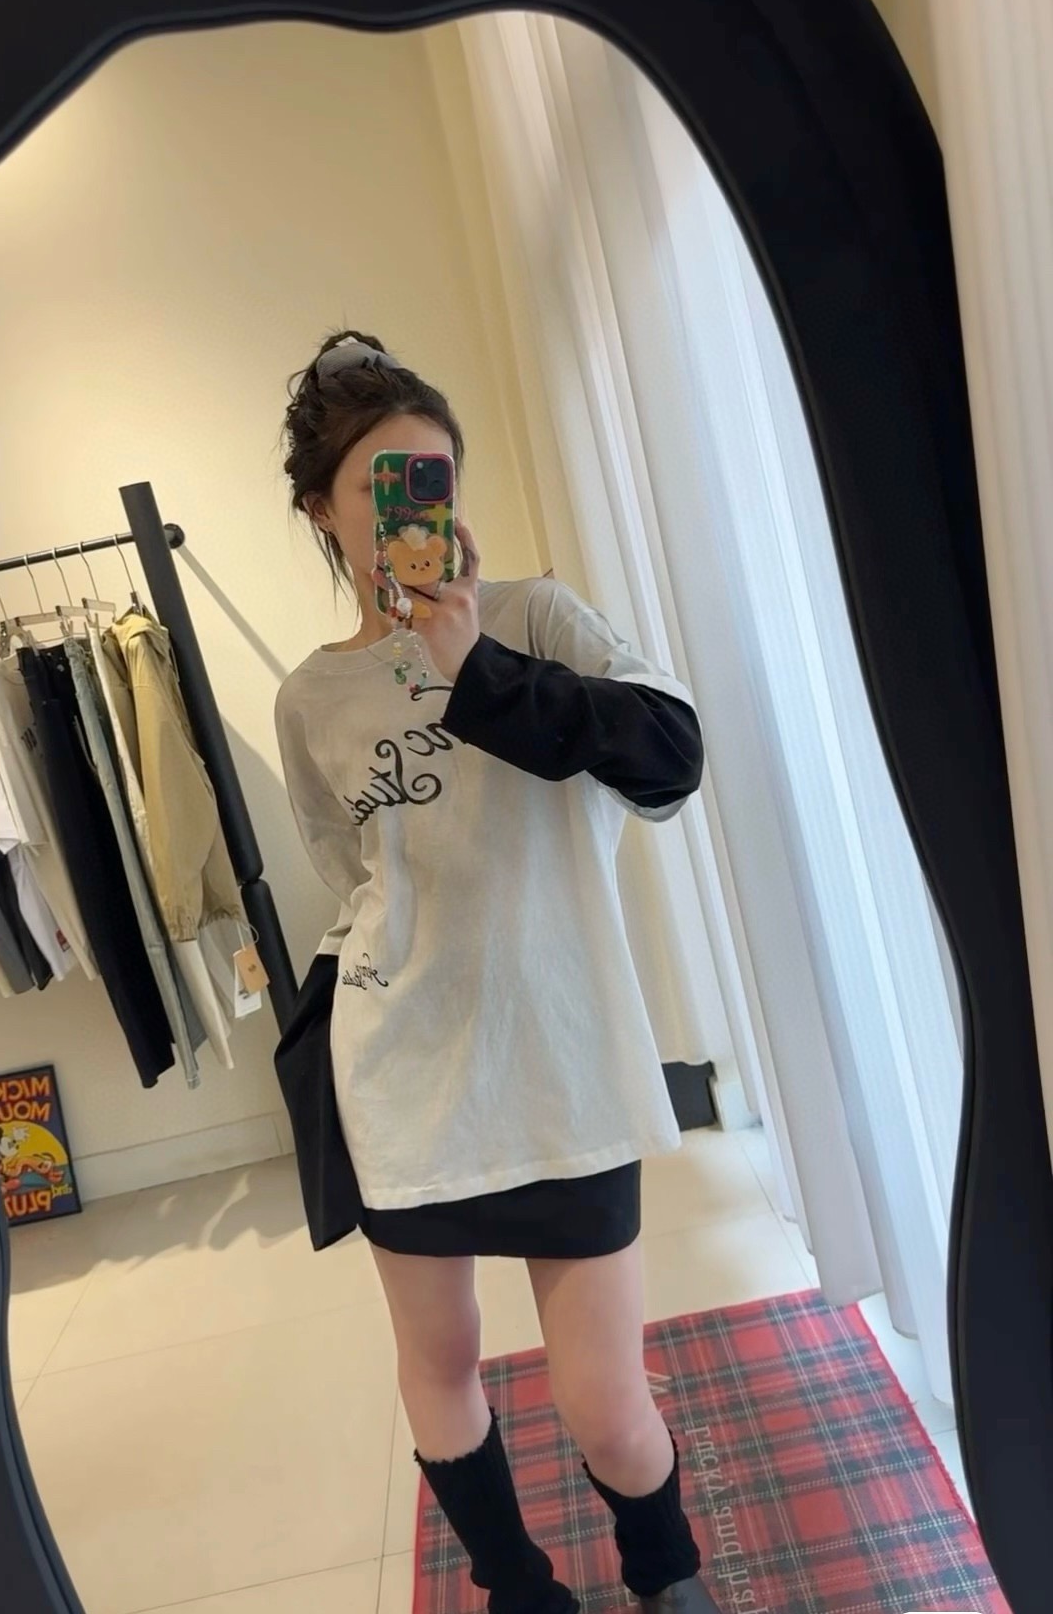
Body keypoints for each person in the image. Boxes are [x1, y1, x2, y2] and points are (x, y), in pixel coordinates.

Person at [273, 331, 719, 1614]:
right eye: (382, 486)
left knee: (606, 1403)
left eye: (434, 479)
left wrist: (478, 666)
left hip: (566, 1064)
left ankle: (666, 1572)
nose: (415, 511)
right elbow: (349, 875)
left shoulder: (537, 618)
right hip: (405, 1078)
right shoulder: (310, 699)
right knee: (442, 1359)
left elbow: (671, 758)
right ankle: (520, 1588)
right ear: (323, 510)